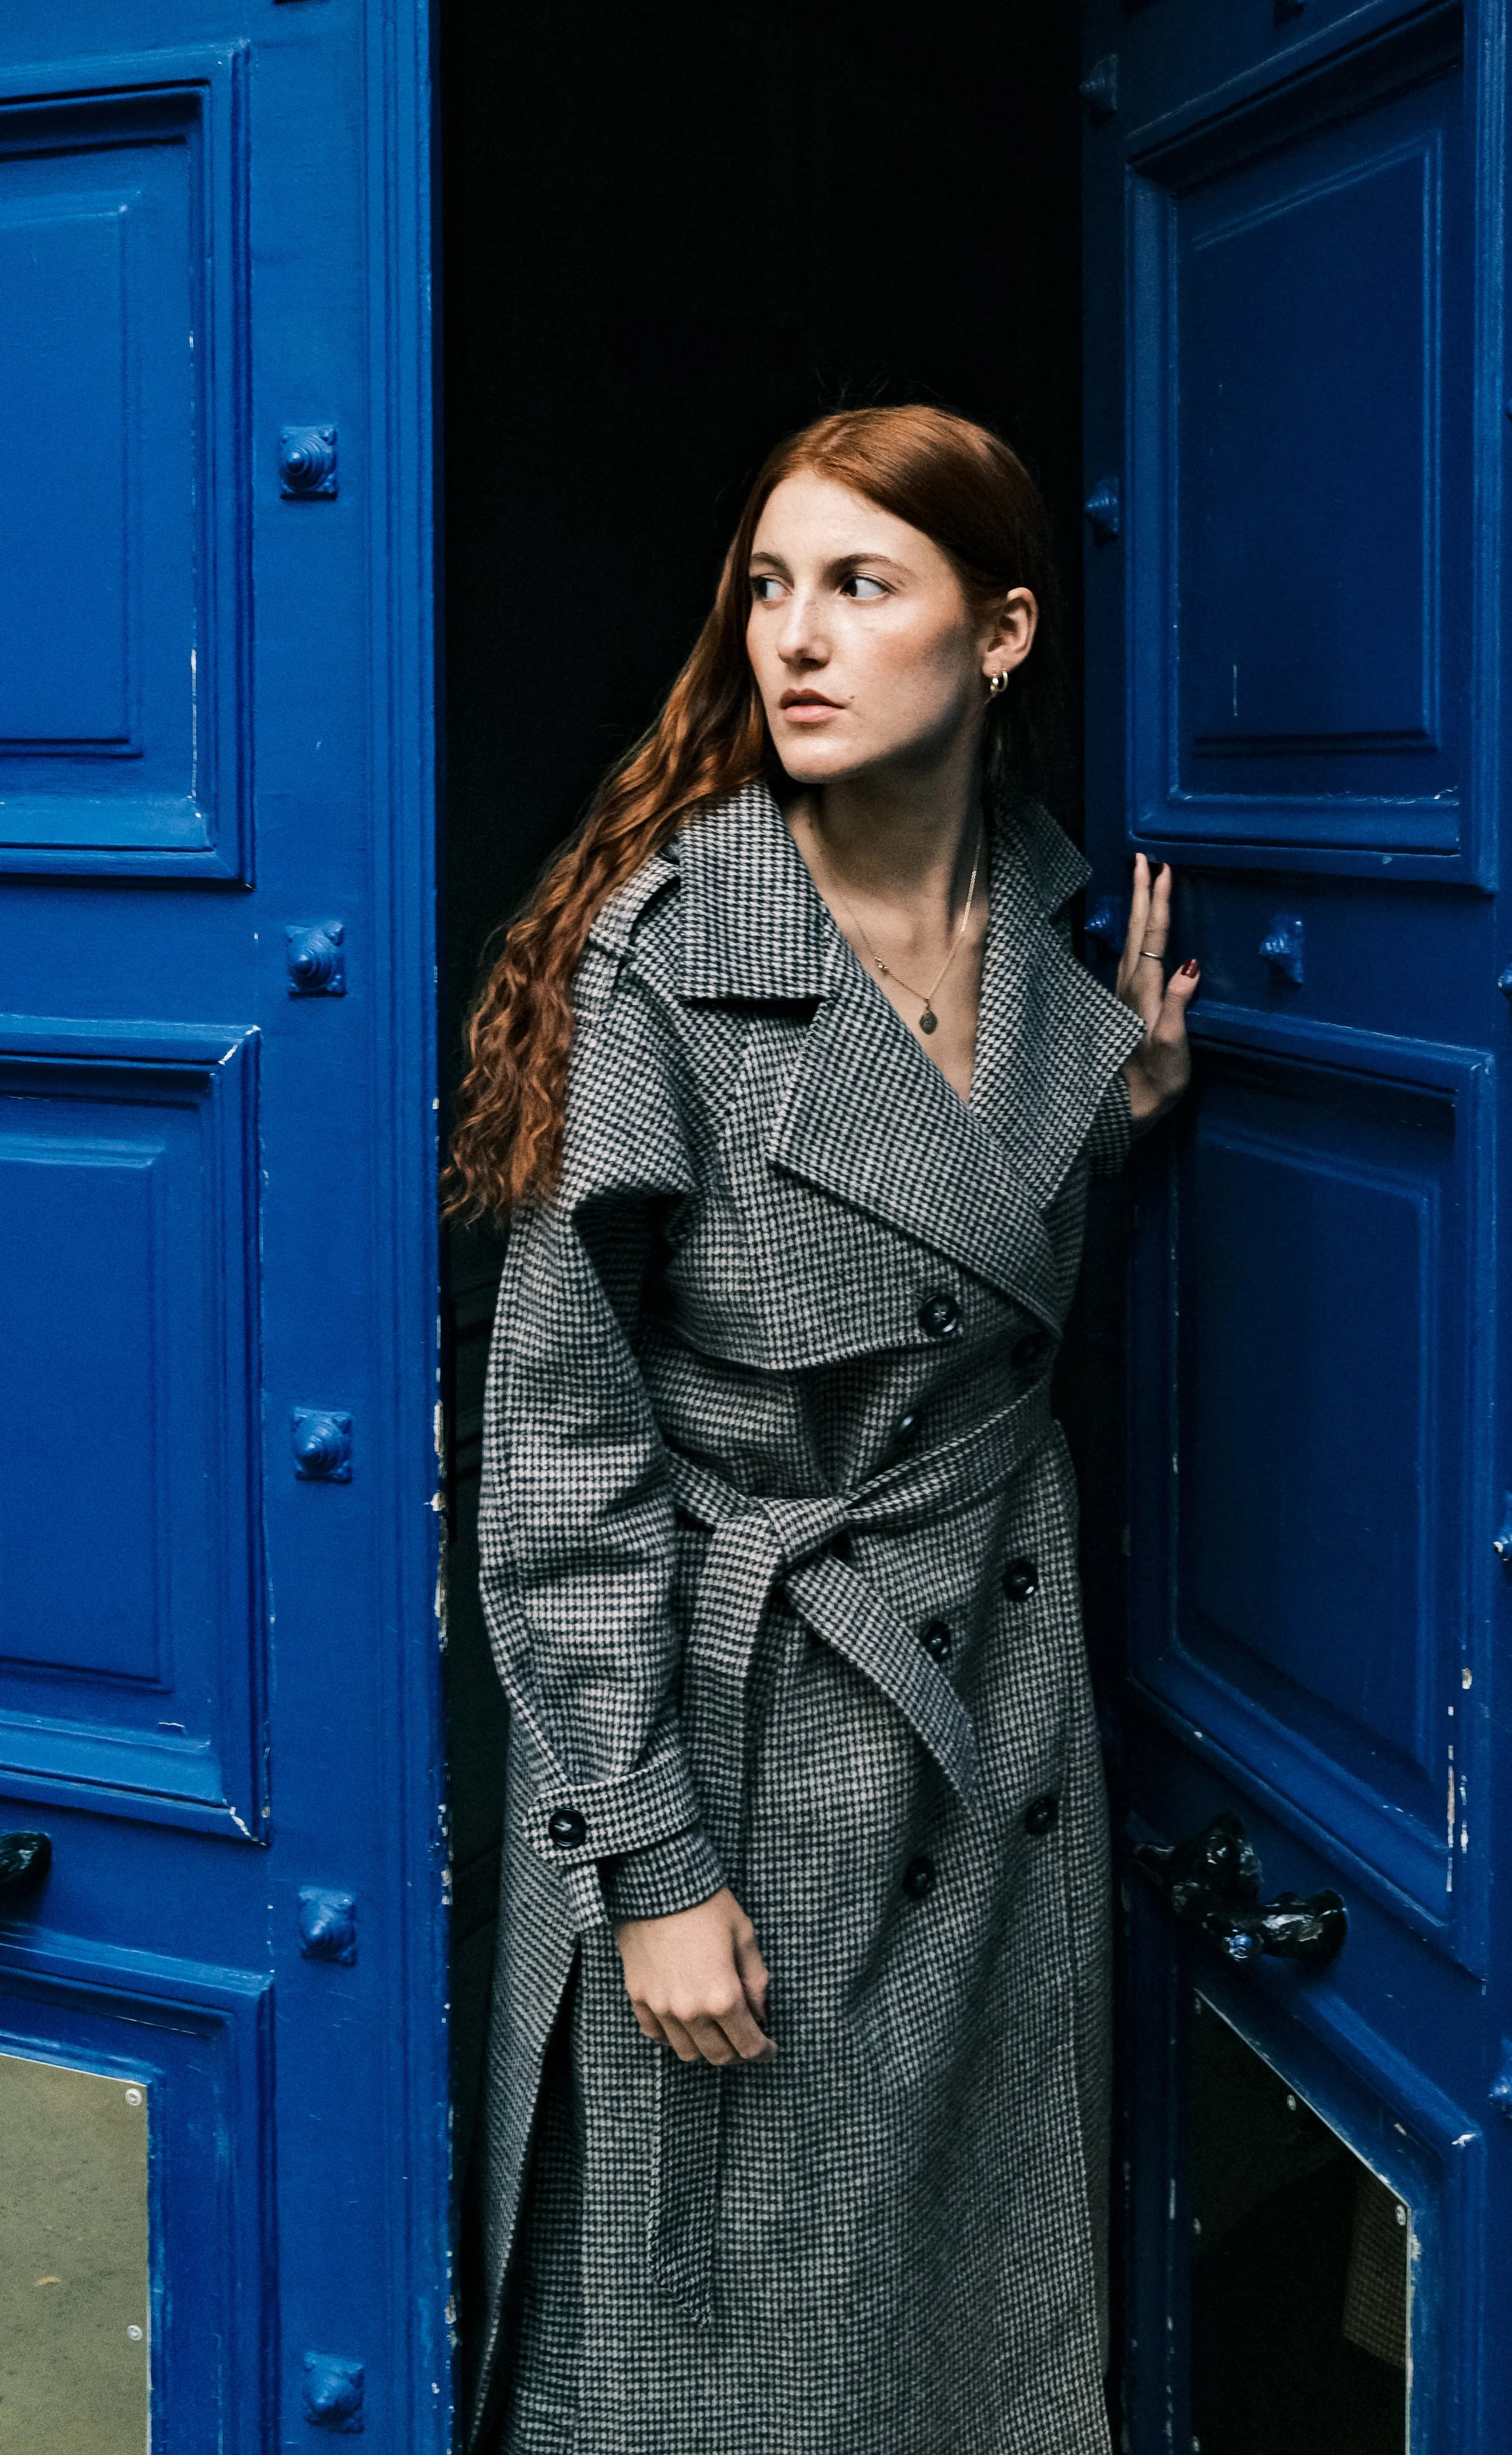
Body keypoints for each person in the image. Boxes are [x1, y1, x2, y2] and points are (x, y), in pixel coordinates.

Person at [449, 405, 1197, 2455]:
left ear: (1003, 632)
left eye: (861, 586)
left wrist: (1101, 1122)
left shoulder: (1055, 968)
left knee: (964, 2337)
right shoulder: (671, 966)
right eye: (769, 588)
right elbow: (559, 1470)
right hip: (749, 1753)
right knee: (729, 2360)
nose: (796, 638)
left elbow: (962, 1314)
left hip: (1000, 1721)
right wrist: (653, 1864)